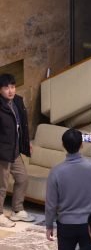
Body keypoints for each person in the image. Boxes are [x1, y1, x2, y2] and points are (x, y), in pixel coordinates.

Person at [45, 129, 91, 250]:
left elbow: (51, 204)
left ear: (63, 145)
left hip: (65, 224)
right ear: (81, 145)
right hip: (89, 224)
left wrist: (49, 225)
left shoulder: (56, 172)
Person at [0, 73, 35, 228]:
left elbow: (22, 126)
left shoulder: (18, 101)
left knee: (23, 178)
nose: (10, 91)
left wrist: (25, 143)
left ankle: (17, 210)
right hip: (2, 152)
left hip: (15, 150)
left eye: (13, 87)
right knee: (2, 185)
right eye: (6, 87)